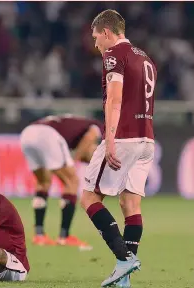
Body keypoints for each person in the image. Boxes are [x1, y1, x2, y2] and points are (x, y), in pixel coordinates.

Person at [80, 10, 157, 288]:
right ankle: (124, 278)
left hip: (123, 138)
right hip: (146, 139)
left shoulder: (114, 54)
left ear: (107, 32)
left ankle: (124, 259)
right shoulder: (145, 57)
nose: (96, 44)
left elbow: (115, 99)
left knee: (89, 198)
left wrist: (109, 139)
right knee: (130, 204)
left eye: (96, 37)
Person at [20, 114, 103, 248]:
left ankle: (39, 235)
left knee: (43, 182)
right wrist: (77, 158)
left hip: (27, 134)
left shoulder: (75, 123)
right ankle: (64, 237)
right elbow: (90, 136)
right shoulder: (98, 127)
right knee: (72, 181)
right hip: (47, 135)